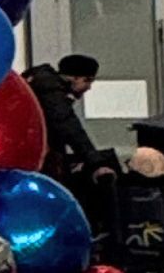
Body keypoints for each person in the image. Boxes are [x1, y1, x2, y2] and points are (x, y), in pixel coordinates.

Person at [24, 54, 106, 183]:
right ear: (74, 78)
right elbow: (69, 126)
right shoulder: (51, 93)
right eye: (87, 80)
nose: (89, 87)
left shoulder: (40, 85)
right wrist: (96, 163)